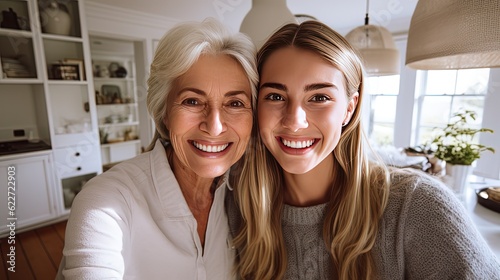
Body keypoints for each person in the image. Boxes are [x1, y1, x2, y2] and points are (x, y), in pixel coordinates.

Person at [227, 20, 500, 279]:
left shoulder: (417, 205)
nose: (295, 121)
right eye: (275, 96)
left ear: (349, 108)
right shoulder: (237, 202)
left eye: (319, 97)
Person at [56, 18, 258, 279]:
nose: (215, 126)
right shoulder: (107, 201)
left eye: (235, 103)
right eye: (193, 100)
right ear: (164, 112)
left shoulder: (247, 193)